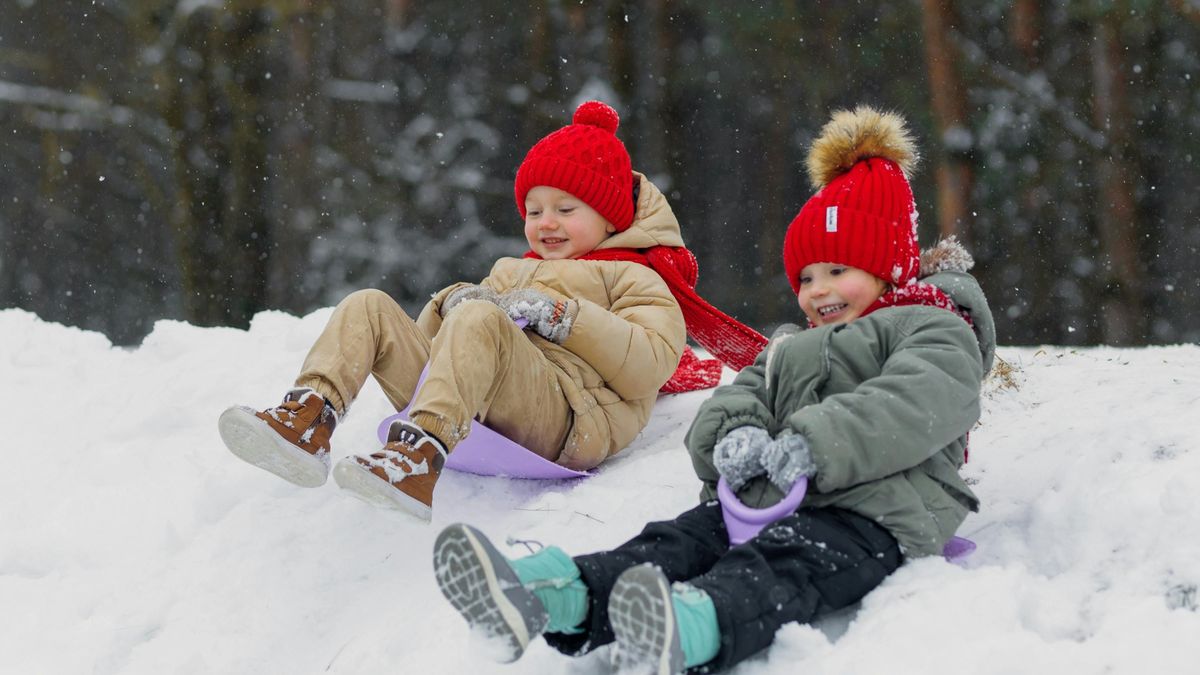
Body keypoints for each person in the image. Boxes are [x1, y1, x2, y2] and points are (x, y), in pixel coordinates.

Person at [430, 106, 997, 673]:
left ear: (888, 267)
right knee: (674, 542)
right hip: (764, 499)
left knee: (779, 567)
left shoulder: (934, 328)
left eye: (838, 270)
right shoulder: (793, 347)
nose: (818, 290)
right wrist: (734, 436)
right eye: (805, 277)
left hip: (874, 516)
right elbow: (737, 396)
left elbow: (913, 404)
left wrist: (808, 444)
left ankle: (693, 624)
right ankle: (558, 594)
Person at [217, 100, 765, 522]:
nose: (545, 222)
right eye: (534, 209)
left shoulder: (637, 276)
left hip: (569, 418)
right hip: (480, 406)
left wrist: (565, 316)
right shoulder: (510, 270)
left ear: (609, 217)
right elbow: (442, 348)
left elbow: (652, 362)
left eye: (566, 209)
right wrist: (451, 301)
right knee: (371, 305)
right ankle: (307, 419)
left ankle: (414, 461)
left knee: (482, 319)